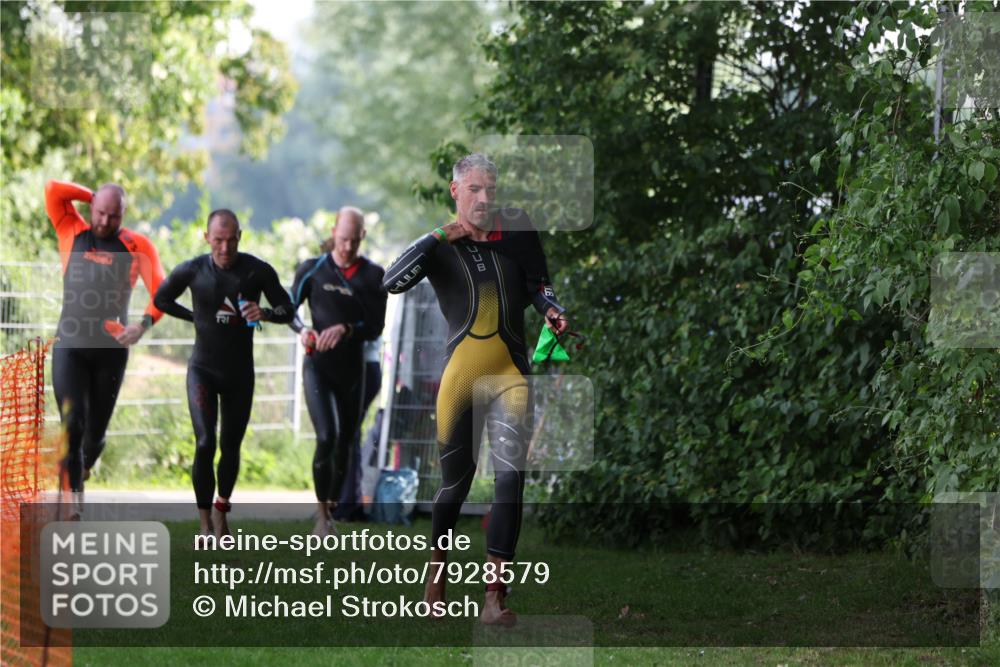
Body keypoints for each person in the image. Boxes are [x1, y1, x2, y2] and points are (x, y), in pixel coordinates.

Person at [383, 153, 569, 625]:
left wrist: (551, 309)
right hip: (460, 379)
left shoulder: (518, 231)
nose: (485, 199)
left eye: (491, 190)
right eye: (475, 191)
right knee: (455, 485)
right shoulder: (441, 245)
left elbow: (539, 285)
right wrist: (439, 235)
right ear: (456, 192)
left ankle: (494, 597)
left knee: (509, 479)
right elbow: (391, 282)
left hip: (510, 373)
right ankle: (436, 575)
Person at [154, 210, 294, 538]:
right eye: (218, 240)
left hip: (239, 374)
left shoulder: (257, 271)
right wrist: (195, 317)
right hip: (202, 369)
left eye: (231, 239)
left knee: (230, 447)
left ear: (240, 236)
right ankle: (204, 525)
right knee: (205, 442)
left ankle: (221, 512)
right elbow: (161, 299)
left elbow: (288, 309)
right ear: (207, 238)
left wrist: (267, 313)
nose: (225, 247)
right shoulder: (192, 270)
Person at [44, 179, 167, 517]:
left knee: (94, 436)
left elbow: (161, 292)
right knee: (74, 422)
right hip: (69, 345)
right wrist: (92, 194)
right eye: (100, 212)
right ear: (92, 207)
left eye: (114, 216)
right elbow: (54, 189)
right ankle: (72, 506)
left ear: (123, 214)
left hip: (110, 352)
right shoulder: (72, 229)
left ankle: (83, 466)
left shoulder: (136, 245)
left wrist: (142, 325)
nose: (104, 222)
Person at [290, 207, 387, 535]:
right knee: (326, 436)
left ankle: (332, 505)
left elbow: (375, 327)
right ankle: (322, 516)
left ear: (363, 237)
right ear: (334, 232)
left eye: (353, 240)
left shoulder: (374, 276)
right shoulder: (313, 269)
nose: (346, 246)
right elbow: (290, 310)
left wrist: (346, 329)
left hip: (353, 369)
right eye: (342, 239)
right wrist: (303, 330)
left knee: (346, 441)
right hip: (317, 365)